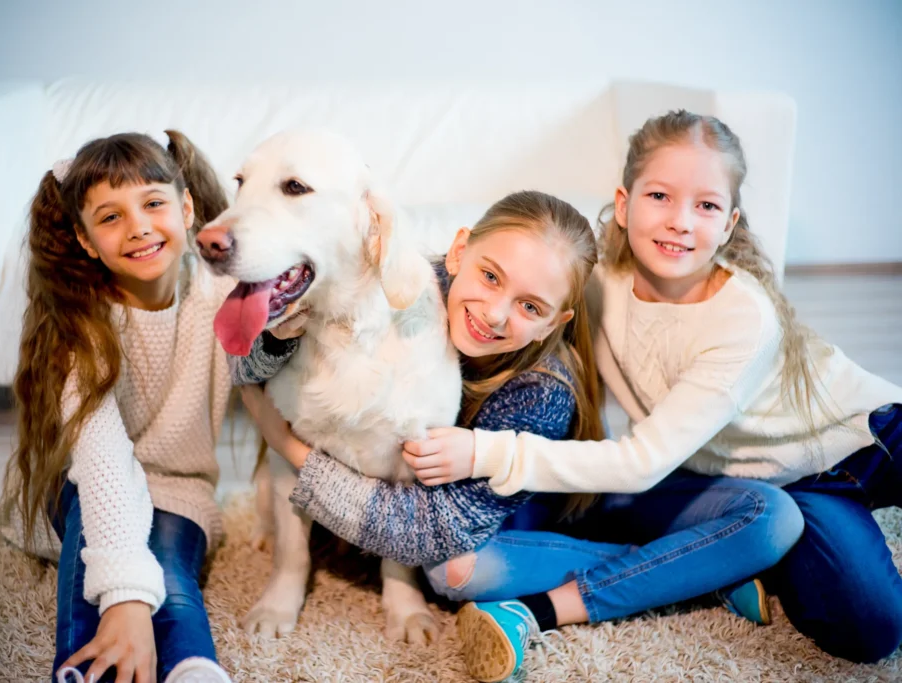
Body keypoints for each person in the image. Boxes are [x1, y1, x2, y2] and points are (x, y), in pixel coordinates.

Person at [397, 110, 902, 669]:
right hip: (733, 481)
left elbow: (638, 465)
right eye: (660, 195)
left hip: (865, 441)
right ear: (623, 203)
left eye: (706, 205)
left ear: (730, 223)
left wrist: (483, 453)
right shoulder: (594, 283)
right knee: (458, 568)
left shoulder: (743, 319)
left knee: (872, 629)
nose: (681, 221)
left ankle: (541, 610)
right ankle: (704, 568)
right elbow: (496, 271)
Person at [236, 189, 802, 682]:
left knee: (453, 570)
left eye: (530, 305)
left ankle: (677, 570)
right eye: (488, 276)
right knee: (452, 563)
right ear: (458, 251)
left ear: (557, 320)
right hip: (494, 511)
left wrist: (288, 447)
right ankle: (689, 568)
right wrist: (272, 353)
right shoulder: (406, 289)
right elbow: (256, 349)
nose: (496, 313)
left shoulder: (541, 389)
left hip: (527, 514)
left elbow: (431, 533)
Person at [0, 130, 235, 683]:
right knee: (100, 584)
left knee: (171, 576)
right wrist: (125, 599)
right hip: (79, 484)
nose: (139, 227)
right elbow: (101, 460)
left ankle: (194, 671)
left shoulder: (220, 293)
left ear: (187, 207)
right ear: (84, 240)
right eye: (110, 217)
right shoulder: (79, 324)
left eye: (154, 203)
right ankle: (87, 671)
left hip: (178, 484)